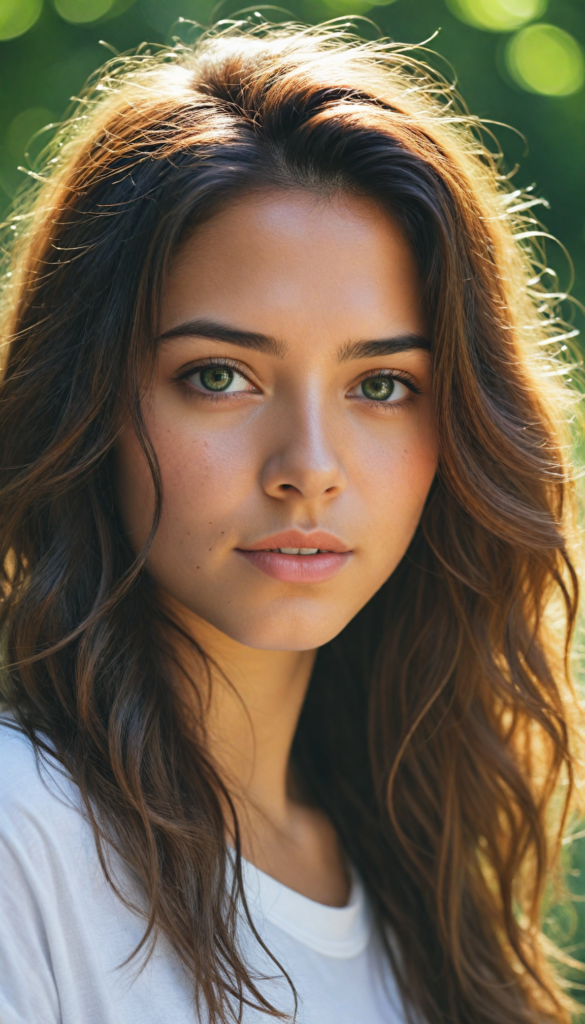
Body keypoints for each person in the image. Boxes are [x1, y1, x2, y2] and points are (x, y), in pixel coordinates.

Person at [0, 21, 581, 1024]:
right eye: (220, 376)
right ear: (89, 400)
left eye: (381, 385)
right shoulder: (24, 834)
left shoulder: (414, 874)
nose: (308, 468)